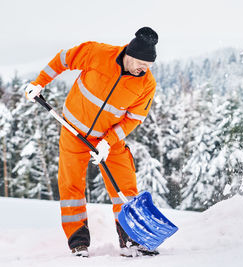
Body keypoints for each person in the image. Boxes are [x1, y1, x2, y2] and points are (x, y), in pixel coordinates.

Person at [25, 27, 159, 257]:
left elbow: (134, 119)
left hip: (108, 139)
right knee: (71, 186)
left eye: (148, 66)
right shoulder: (97, 53)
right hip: (73, 131)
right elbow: (63, 59)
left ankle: (130, 240)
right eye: (140, 64)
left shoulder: (146, 84)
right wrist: (40, 82)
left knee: (124, 185)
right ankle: (78, 242)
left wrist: (107, 142)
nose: (143, 69)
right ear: (129, 53)